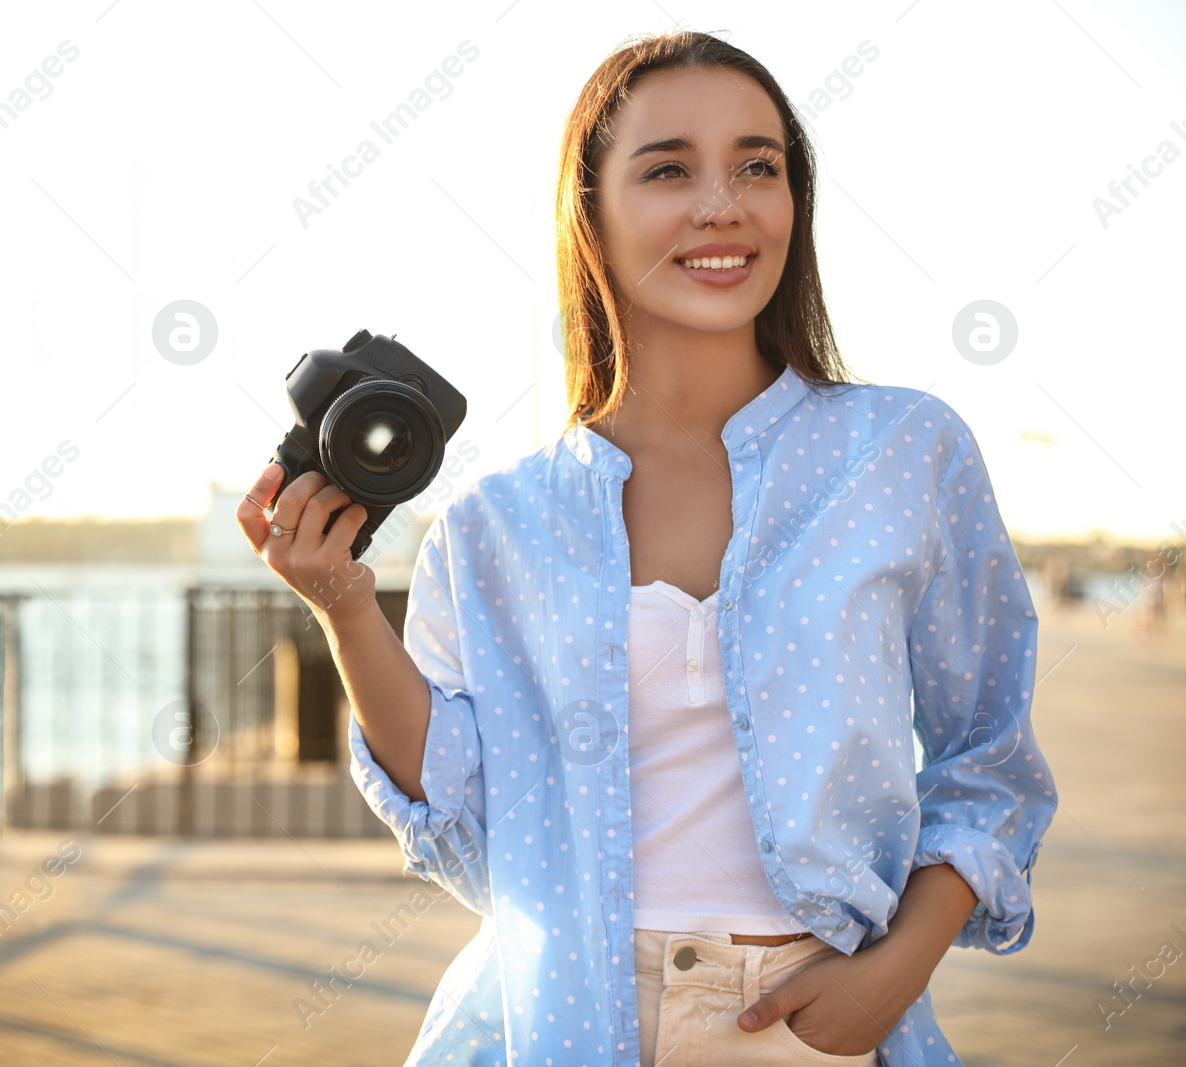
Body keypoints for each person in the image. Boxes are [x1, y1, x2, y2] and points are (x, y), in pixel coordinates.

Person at [237, 29, 1058, 1067]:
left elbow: (988, 756)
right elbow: (474, 830)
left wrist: (895, 971)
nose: (722, 204)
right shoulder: (498, 520)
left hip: (821, 1023)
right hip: (553, 1025)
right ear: (591, 213)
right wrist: (345, 607)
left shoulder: (903, 451)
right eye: (668, 168)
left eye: (757, 166)